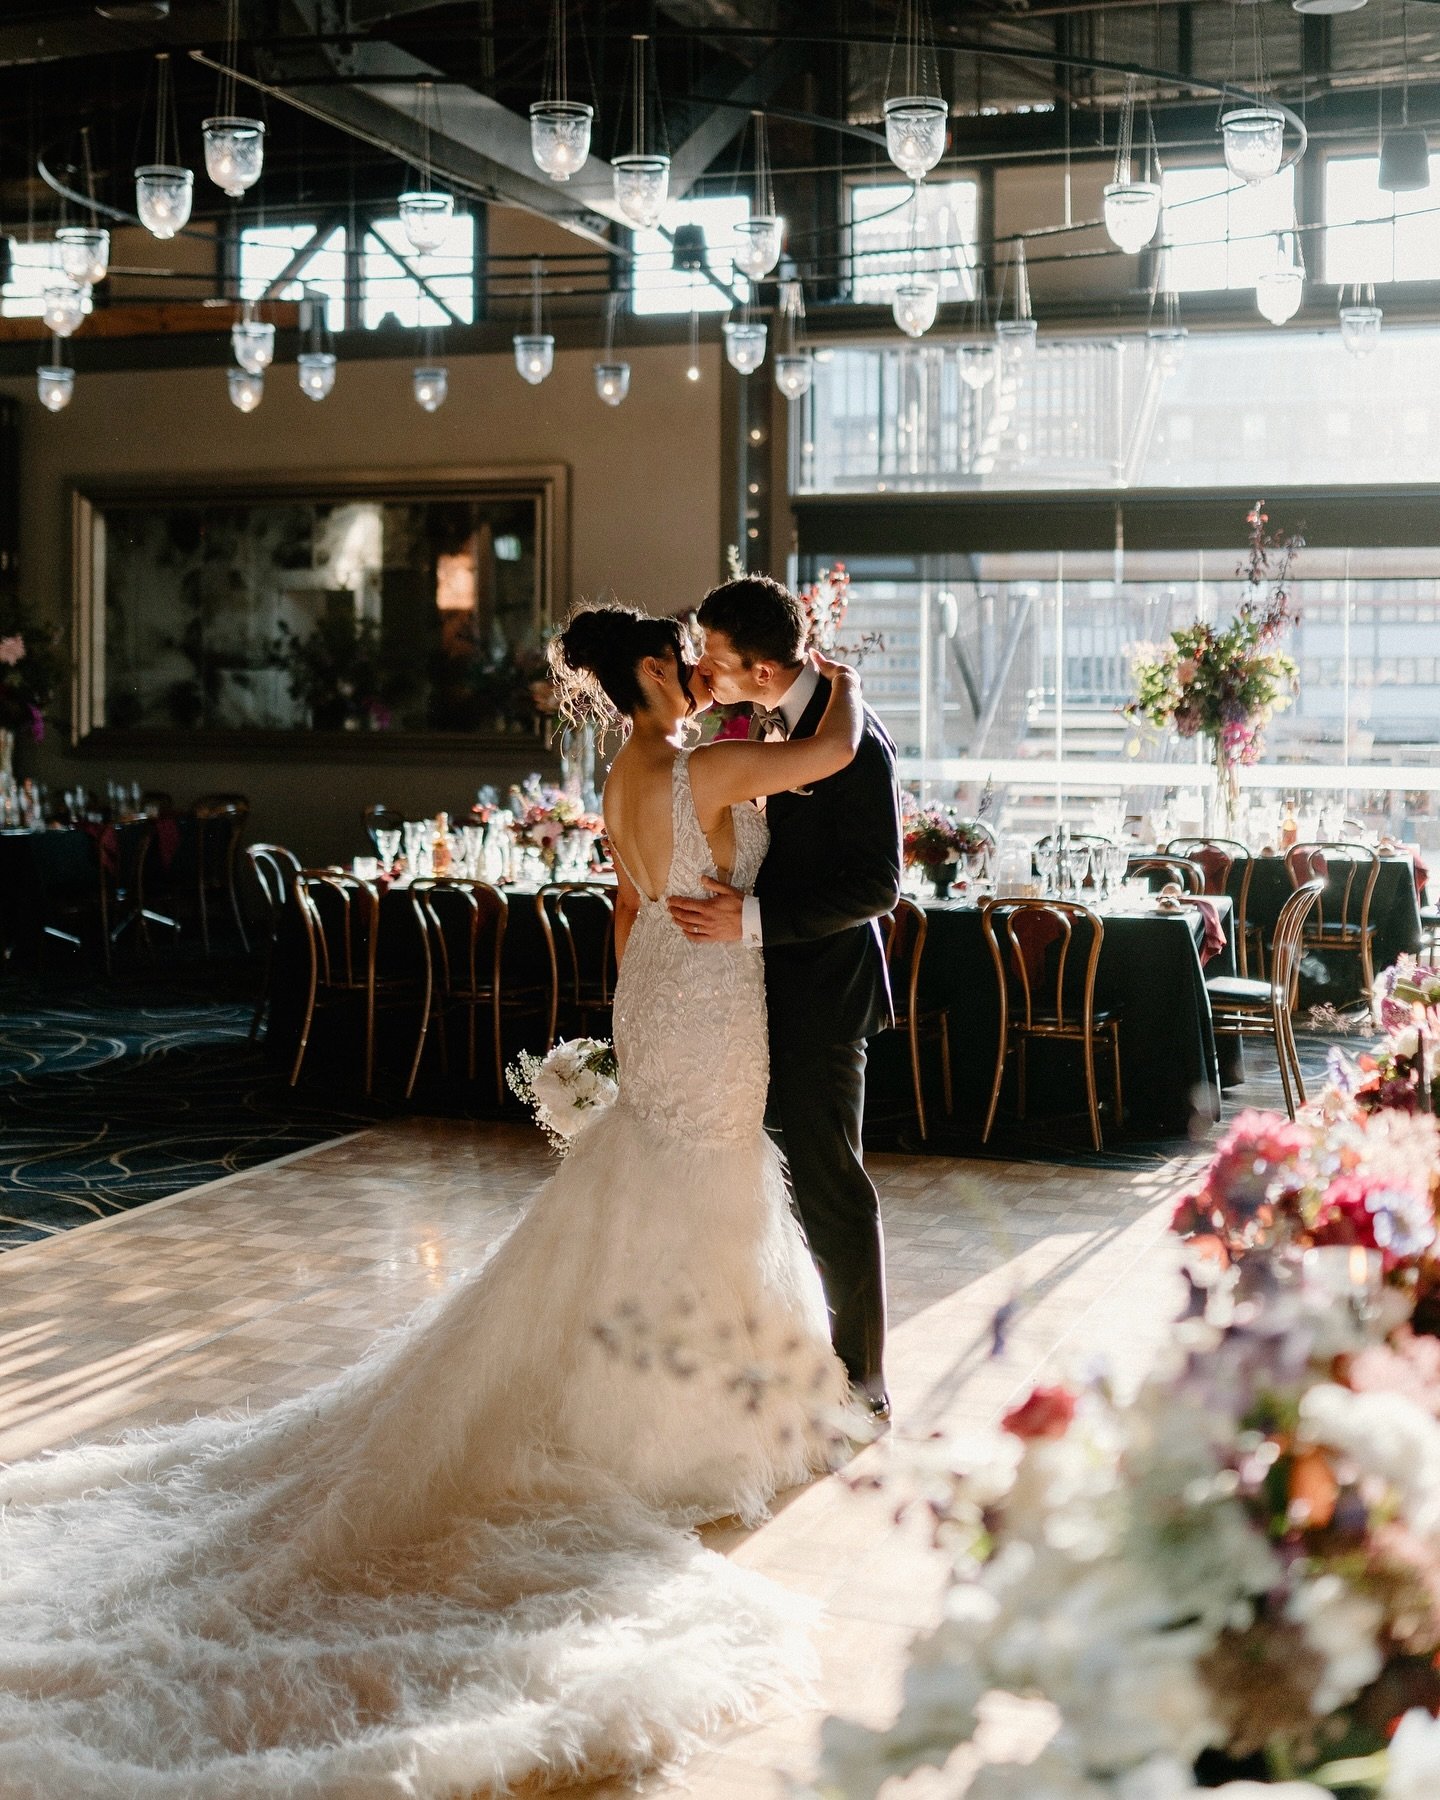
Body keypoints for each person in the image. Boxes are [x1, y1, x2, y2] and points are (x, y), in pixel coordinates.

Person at [0, 604, 872, 1800]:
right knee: (705, 1176)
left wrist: (646, 1003)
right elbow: (829, 753)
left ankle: (678, 1386)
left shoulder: (629, 767)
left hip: (663, 989)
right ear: (663, 677)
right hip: (709, 999)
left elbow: (626, 910)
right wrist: (838, 681)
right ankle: (689, 1419)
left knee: (659, 1177)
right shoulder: (705, 761)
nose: (709, 670)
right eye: (692, 659)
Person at [671, 575, 902, 1419]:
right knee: (782, 1180)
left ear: (765, 672)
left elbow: (879, 883)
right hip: (766, 991)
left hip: (826, 996)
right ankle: (799, 1350)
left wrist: (753, 919)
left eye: (717, 660)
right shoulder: (784, 724)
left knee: (832, 1181)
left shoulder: (856, 742)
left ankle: (865, 1381)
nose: (706, 671)